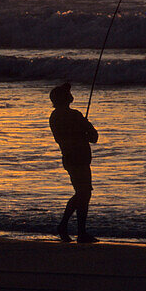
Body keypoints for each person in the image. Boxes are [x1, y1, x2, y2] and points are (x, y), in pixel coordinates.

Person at [48, 82, 99, 244]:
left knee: (82, 193)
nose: (70, 94)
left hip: (69, 158)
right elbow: (94, 137)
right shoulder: (74, 115)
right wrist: (85, 125)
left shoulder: (54, 116)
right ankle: (75, 230)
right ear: (65, 98)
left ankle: (71, 229)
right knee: (84, 193)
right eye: (67, 93)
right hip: (80, 158)